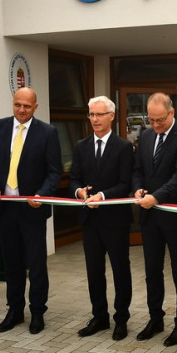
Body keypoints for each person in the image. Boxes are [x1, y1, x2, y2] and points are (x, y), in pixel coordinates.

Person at [0, 87, 62, 334]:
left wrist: (42, 194)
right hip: (3, 209)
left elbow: (54, 171)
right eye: (17, 105)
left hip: (32, 209)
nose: (21, 110)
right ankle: (14, 310)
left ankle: (37, 312)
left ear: (36, 107)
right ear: (13, 103)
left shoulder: (48, 132)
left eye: (27, 106)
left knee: (36, 264)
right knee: (12, 263)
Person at [132, 92, 177, 346]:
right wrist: (138, 188)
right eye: (151, 120)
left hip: (175, 217)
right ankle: (155, 319)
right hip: (150, 217)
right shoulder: (147, 136)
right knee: (152, 271)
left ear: (171, 113)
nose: (155, 124)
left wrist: (156, 197)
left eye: (160, 120)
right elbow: (138, 169)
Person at [69, 96, 134, 340]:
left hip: (115, 220)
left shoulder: (123, 147)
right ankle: (99, 316)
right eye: (91, 114)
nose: (95, 119)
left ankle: (121, 319)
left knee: (120, 270)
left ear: (111, 116)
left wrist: (103, 196)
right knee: (94, 271)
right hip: (90, 220)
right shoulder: (81, 146)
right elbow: (74, 178)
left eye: (99, 114)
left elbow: (125, 183)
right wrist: (79, 192)